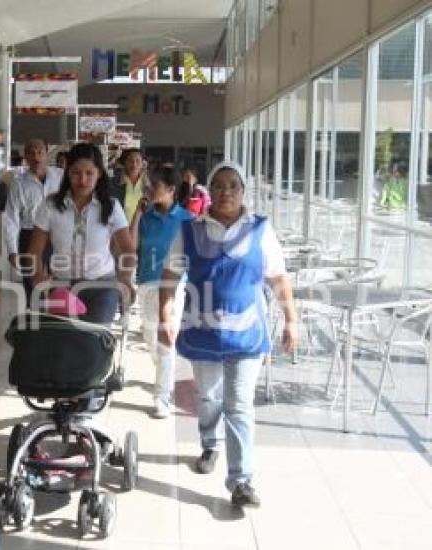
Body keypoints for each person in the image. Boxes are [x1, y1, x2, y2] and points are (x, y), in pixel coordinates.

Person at [159, 160, 297, 509]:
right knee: (209, 398)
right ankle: (210, 443)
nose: (225, 191)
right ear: (209, 191)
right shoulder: (190, 230)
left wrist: (292, 320)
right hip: (204, 332)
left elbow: (278, 278)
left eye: (232, 185)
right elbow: (170, 274)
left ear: (243, 191)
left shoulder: (260, 230)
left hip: (247, 334)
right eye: (218, 185)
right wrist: (165, 314)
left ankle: (241, 480)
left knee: (238, 404)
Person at [27, 142, 136, 324]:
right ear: (67, 173)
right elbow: (35, 251)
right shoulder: (51, 206)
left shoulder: (111, 207)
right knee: (65, 343)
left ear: (99, 174)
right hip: (61, 286)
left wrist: (125, 278)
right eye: (76, 173)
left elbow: (127, 248)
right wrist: (38, 276)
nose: (82, 180)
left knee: (94, 341)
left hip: (103, 286)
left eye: (89, 173)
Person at [129, 165, 193, 419]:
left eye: (154, 185)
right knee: (150, 339)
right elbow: (133, 246)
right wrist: (136, 214)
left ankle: (162, 396)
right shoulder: (147, 218)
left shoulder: (186, 220)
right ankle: (162, 376)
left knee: (166, 338)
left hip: (173, 287)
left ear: (171, 190)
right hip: (146, 281)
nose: (149, 189)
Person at [2, 138, 63, 300]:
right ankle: (35, 320)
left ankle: (57, 321)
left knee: (58, 285)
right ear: (25, 157)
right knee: (33, 286)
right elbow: (11, 218)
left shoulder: (61, 177)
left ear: (47, 152)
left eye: (40, 152)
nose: (36, 157)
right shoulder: (19, 184)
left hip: (57, 236)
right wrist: (12, 251)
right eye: (31, 153)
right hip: (29, 236)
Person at [111, 148, 147, 222]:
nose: (134, 164)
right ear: (124, 162)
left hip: (143, 229)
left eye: (138, 161)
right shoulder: (113, 183)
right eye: (130, 161)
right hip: (120, 228)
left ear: (143, 163)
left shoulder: (148, 184)